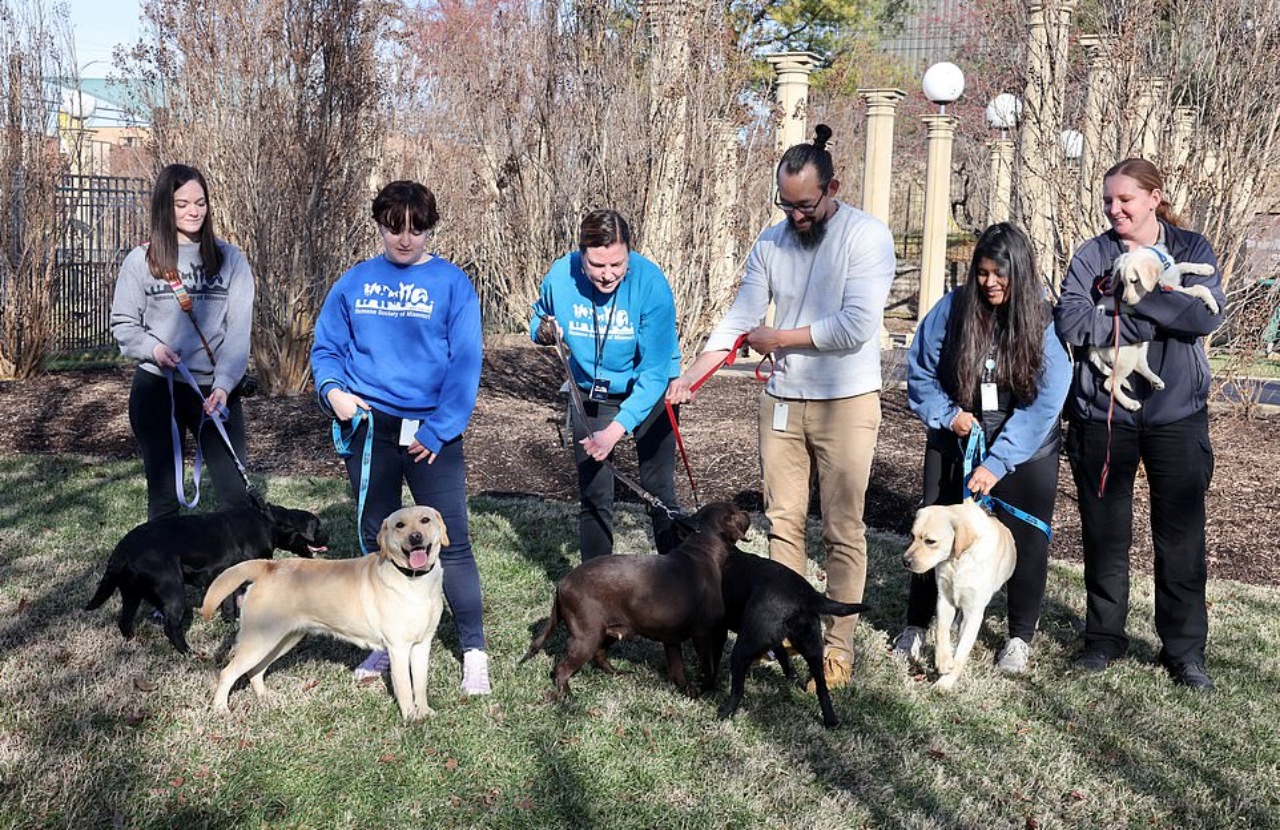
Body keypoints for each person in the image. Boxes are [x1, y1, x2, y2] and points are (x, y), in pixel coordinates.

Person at [667, 125, 896, 690]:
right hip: (783, 402)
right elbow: (742, 317)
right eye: (786, 204)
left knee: (842, 528)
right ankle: (787, 629)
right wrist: (692, 375)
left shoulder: (867, 237)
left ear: (832, 188)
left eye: (805, 205)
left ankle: (836, 648)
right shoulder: (770, 243)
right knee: (783, 526)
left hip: (846, 399)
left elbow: (855, 326)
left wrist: (780, 340)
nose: (795, 216)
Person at [310, 180, 491, 695]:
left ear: (431, 227)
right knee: (378, 540)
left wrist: (440, 429)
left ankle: (474, 649)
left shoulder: (453, 284)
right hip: (370, 428)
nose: (405, 239)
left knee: (448, 540)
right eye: (394, 228)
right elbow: (326, 349)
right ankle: (386, 642)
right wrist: (334, 393)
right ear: (380, 226)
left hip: (433, 431)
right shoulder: (355, 282)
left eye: (416, 228)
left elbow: (465, 364)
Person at [1054, 158, 1225, 691]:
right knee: (1105, 535)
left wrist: (1134, 302)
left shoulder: (1192, 248)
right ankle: (1103, 640)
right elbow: (1072, 323)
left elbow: (1204, 317)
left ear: (1154, 198)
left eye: (1125, 200)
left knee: (1180, 539)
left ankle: (1184, 652)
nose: (1114, 210)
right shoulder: (1094, 254)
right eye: (1108, 201)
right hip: (1104, 416)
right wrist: (1155, 310)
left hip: (1176, 416)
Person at [890, 222, 1070, 673]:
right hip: (956, 436)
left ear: (1021, 274)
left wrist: (997, 461)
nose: (990, 283)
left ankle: (1018, 638)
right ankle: (916, 625)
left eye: (1000, 274)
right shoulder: (951, 310)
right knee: (933, 529)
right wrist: (948, 414)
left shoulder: (1043, 322)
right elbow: (921, 372)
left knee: (1025, 540)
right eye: (982, 273)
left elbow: (1047, 399)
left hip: (1027, 449)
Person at [530, 209, 682, 561]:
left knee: (658, 491)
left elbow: (655, 373)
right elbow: (538, 315)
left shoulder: (650, 283)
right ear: (581, 255)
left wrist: (615, 431)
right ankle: (597, 588)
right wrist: (543, 330)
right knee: (595, 496)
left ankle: (680, 581)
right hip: (590, 395)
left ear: (629, 252)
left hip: (646, 391)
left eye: (617, 264)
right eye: (597, 265)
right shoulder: (560, 276)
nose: (608, 275)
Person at [110, 163, 254, 521]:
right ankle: (164, 574)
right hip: (158, 389)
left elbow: (238, 332)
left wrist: (223, 386)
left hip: (213, 393)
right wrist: (153, 350)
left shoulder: (230, 259)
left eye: (200, 202)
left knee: (236, 493)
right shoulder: (141, 261)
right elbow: (124, 326)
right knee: (163, 500)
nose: (194, 211)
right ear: (165, 206)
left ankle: (240, 574)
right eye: (182, 203)